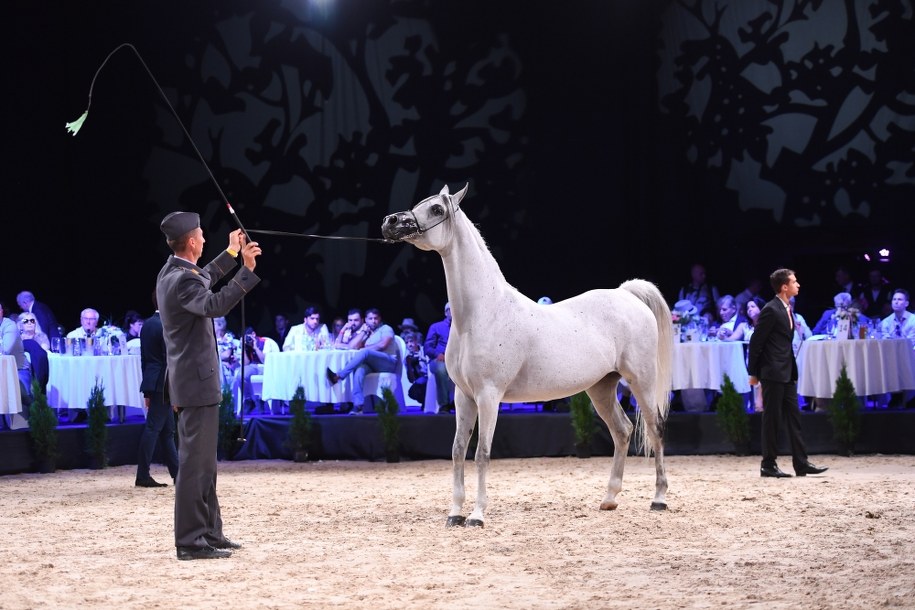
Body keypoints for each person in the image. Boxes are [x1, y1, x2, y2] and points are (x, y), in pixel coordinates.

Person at [156, 211, 261, 561]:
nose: (204, 240)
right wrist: (246, 271)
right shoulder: (182, 280)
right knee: (194, 467)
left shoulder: (173, 271)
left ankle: (210, 532)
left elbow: (203, 278)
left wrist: (231, 255)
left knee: (205, 466)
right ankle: (190, 541)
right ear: (191, 242)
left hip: (191, 383)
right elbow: (213, 303)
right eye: (201, 235)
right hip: (195, 385)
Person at [747, 269, 828, 478]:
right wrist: (753, 373)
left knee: (795, 418)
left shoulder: (787, 308)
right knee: (772, 420)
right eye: (794, 281)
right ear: (784, 287)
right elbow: (756, 342)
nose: (798, 284)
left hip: (787, 372)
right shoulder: (771, 310)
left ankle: (801, 463)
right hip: (772, 373)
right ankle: (768, 464)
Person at [135, 300, 179, 488]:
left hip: (154, 382)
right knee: (153, 428)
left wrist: (147, 389)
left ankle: (178, 474)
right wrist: (176, 392)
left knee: (167, 432)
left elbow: (145, 359)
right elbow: (170, 362)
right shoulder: (166, 324)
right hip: (164, 383)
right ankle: (142, 475)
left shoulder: (147, 324)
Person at [326, 308, 398, 415]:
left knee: (365, 352)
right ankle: (358, 405)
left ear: (380, 319)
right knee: (359, 369)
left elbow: (383, 345)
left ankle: (339, 376)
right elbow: (352, 346)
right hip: (373, 365)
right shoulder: (368, 334)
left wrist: (365, 348)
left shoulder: (386, 328)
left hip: (388, 363)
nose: (373, 321)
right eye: (370, 318)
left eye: (376, 318)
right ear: (366, 320)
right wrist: (362, 334)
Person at [0, 301, 33, 421]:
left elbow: (5, 351)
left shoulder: (9, 326)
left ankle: (37, 412)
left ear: (2, 312)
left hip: (18, 370)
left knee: (20, 394)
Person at [237, 326, 279, 413]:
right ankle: (249, 400)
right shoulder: (245, 345)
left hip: (267, 367)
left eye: (248, 337)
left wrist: (255, 347)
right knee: (240, 374)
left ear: (253, 334)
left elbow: (264, 361)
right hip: (253, 366)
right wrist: (244, 348)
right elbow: (245, 364)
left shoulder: (266, 342)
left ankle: (261, 400)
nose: (248, 340)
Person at [424, 301, 454, 413]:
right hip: (439, 359)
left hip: (458, 361)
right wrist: (438, 354)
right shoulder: (436, 327)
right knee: (441, 369)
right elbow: (427, 347)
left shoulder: (463, 328)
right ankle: (444, 404)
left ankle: (465, 404)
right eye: (452, 309)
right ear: (446, 312)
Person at [403, 330, 429, 404]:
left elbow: (430, 365)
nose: (409, 345)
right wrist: (409, 364)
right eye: (407, 343)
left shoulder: (425, 350)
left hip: (430, 378)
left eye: (411, 341)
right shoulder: (407, 358)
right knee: (412, 392)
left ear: (416, 342)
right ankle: (425, 403)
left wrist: (421, 358)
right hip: (419, 381)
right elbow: (411, 380)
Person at [214, 316, 240, 389]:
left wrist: (213, 357)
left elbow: (226, 355)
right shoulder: (210, 339)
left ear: (219, 326)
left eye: (213, 324)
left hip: (224, 370)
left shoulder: (227, 337)